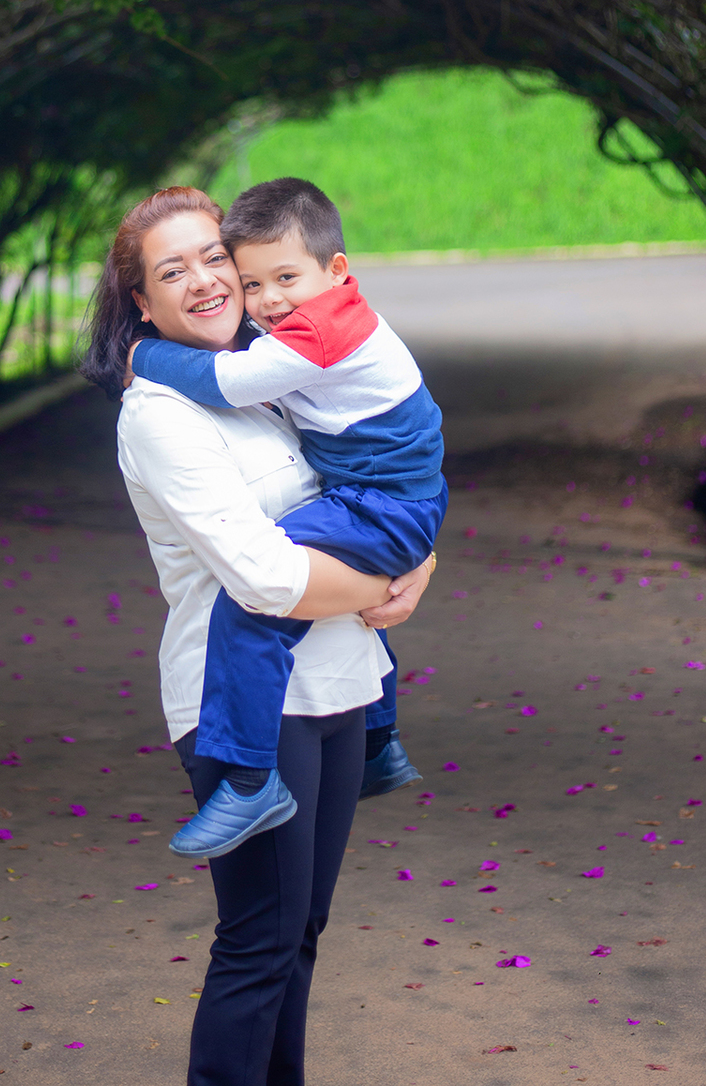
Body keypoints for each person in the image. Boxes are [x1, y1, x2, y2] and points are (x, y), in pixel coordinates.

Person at [80, 186, 434, 1086]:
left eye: (215, 260)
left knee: (299, 934)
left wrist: (419, 559)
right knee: (259, 940)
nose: (206, 281)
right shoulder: (161, 412)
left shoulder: (279, 370)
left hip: (338, 682)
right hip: (244, 706)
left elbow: (368, 483)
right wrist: (389, 578)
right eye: (173, 272)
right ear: (142, 304)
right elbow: (266, 577)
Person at [129, 177, 446, 858]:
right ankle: (374, 743)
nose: (268, 298)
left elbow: (226, 383)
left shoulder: (306, 340)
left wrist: (141, 354)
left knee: (250, 614)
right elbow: (269, 576)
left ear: (336, 270)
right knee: (260, 598)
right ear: (142, 300)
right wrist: (403, 569)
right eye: (254, 282)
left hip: (380, 506)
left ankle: (252, 781)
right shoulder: (282, 344)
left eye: (283, 278)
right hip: (391, 506)